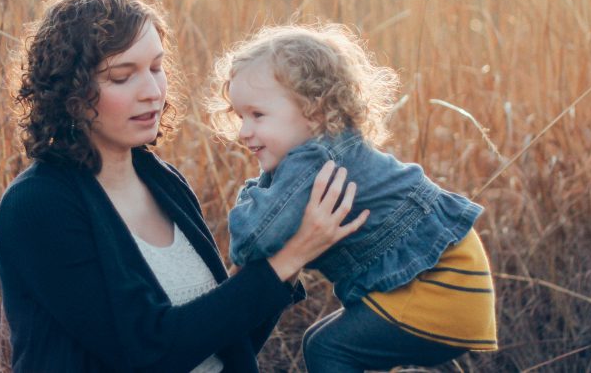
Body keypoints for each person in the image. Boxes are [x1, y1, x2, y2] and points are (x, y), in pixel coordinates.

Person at [0, 0, 369, 373]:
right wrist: (291, 255)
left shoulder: (164, 181)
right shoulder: (38, 204)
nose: (152, 91)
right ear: (69, 91)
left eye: (157, 68)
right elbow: (147, 350)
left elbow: (224, 343)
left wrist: (290, 250)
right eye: (123, 76)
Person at [210, 23, 498, 373]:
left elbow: (252, 240)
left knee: (328, 349)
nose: (243, 131)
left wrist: (257, 190)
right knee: (323, 335)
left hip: (439, 288)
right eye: (239, 116)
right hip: (454, 281)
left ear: (313, 111)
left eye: (257, 115)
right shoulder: (334, 148)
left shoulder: (312, 162)